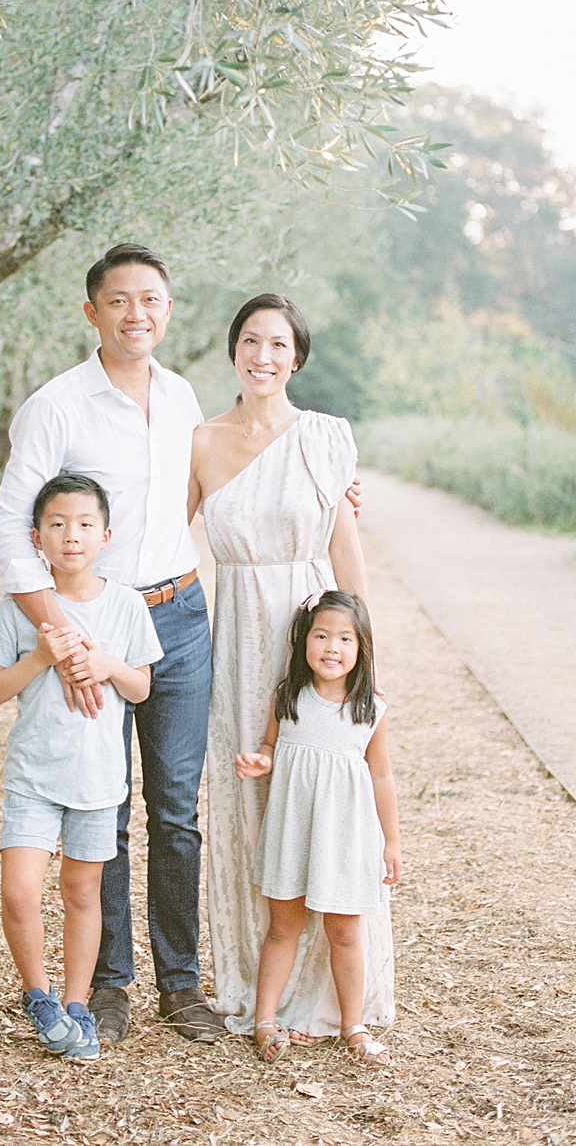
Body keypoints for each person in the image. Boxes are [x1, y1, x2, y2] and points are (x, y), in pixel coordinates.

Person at [0, 243, 223, 1045]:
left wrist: (334, 488)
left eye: (150, 299)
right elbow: (11, 533)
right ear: (92, 312)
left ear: (168, 306)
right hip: (94, 625)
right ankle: (111, 985)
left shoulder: (184, 395)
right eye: (118, 300)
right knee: (104, 801)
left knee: (176, 804)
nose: (136, 313)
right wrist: (62, 631)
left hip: (181, 614)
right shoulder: (58, 404)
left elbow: (205, 483)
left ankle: (182, 984)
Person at [188, 293, 393, 1038]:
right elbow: (164, 537)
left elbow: (345, 549)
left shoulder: (327, 438)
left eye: (278, 343)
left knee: (330, 787)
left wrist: (361, 649)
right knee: (251, 799)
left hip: (316, 626)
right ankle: (257, 987)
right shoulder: (202, 440)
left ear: (297, 357)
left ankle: (336, 999)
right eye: (250, 339)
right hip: (241, 632)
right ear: (233, 349)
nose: (262, 355)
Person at [0, 473, 162, 1062]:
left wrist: (106, 663)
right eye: (56, 524)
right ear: (36, 538)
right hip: (33, 776)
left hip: (98, 780)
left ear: (106, 535)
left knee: (84, 894)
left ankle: (78, 1006)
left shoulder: (127, 605)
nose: (71, 535)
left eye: (84, 524)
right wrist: (41, 656)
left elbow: (142, 689)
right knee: (20, 894)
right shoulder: (18, 610)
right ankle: (39, 997)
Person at [236, 590, 401, 1064]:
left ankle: (354, 1025)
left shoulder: (370, 708)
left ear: (360, 648)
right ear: (304, 641)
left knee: (346, 932)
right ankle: (265, 1019)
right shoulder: (288, 697)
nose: (332, 647)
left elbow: (382, 776)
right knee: (282, 927)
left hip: (347, 838)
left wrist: (391, 840)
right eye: (322, 635)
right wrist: (258, 761)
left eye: (344, 638)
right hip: (293, 832)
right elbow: (270, 746)